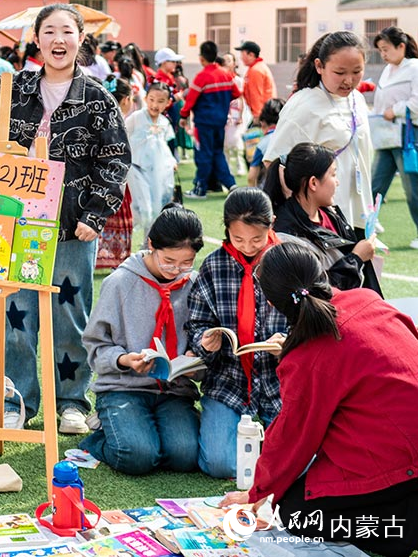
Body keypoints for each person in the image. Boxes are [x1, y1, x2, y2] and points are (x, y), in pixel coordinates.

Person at [0, 4, 131, 435]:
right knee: (16, 316)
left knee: (69, 316)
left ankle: (70, 401)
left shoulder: (98, 99)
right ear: (37, 40)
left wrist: (95, 213)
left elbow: (115, 158)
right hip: (11, 227)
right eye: (50, 31)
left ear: (81, 39)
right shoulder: (13, 87)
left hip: (71, 228)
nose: (58, 40)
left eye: (67, 31)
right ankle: (18, 400)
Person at [222, 241, 418, 557]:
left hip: (396, 464)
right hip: (402, 447)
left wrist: (259, 492)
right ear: (322, 273)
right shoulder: (369, 299)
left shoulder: (307, 357)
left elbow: (293, 437)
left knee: (292, 514)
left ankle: (400, 528)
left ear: (272, 303)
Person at [81, 205, 204, 475]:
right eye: (168, 261)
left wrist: (197, 358)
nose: (177, 270)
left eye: (186, 262)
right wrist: (124, 360)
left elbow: (201, 337)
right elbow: (95, 346)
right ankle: (103, 433)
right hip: (123, 387)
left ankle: (140, 431)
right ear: (151, 245)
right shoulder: (120, 282)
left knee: (186, 456)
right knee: (137, 456)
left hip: (174, 391)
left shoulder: (195, 284)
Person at [186, 187, 287, 478]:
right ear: (226, 229)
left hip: (280, 381)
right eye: (237, 238)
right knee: (221, 464)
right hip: (229, 380)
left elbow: (314, 316)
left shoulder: (288, 261)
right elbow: (196, 323)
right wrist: (206, 341)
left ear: (272, 224)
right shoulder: (214, 266)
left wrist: (289, 342)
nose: (248, 246)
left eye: (257, 238)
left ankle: (270, 443)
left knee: (300, 462)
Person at [264, 32, 373, 230]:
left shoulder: (357, 99)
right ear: (319, 66)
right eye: (340, 73)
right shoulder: (304, 105)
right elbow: (275, 162)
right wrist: (302, 215)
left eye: (357, 71)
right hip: (321, 219)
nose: (349, 80)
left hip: (359, 211)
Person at [264, 142, 381, 295]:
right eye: (333, 174)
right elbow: (316, 292)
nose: (337, 182)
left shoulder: (329, 213)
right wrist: (357, 258)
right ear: (313, 183)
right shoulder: (286, 236)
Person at [370, 26, 418, 248]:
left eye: (386, 49)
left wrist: (395, 110)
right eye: (380, 50)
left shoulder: (414, 68)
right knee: (374, 184)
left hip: (408, 136)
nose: (383, 54)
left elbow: (416, 103)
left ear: (402, 46)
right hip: (385, 135)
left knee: (413, 189)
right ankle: (368, 227)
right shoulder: (388, 70)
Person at [181, 41, 241, 200]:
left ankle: (200, 189)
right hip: (220, 122)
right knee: (217, 153)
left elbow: (191, 100)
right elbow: (236, 93)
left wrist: (183, 116)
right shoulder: (226, 74)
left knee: (203, 155)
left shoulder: (201, 77)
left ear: (201, 58)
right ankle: (230, 184)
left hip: (204, 123)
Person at [127, 82, 177, 240]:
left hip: (157, 173)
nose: (155, 104)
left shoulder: (165, 122)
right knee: (142, 209)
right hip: (136, 169)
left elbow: (167, 146)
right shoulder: (136, 118)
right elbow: (123, 138)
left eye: (160, 101)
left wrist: (172, 162)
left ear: (167, 103)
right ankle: (124, 242)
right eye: (152, 99)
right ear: (145, 98)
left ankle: (146, 244)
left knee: (156, 209)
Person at [96, 77, 135, 270]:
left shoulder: (99, 116)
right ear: (126, 99)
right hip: (116, 179)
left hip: (98, 179)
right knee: (118, 217)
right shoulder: (121, 121)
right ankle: (115, 258)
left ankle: (100, 256)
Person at [235, 41, 276, 125]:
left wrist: (257, 116)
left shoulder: (256, 70)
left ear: (251, 55)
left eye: (243, 54)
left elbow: (256, 94)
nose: (241, 57)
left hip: (262, 115)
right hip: (265, 113)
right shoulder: (257, 67)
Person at [247, 98, 283, 187]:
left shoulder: (263, 144)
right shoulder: (291, 136)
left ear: (263, 123)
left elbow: (252, 177)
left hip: (270, 191)